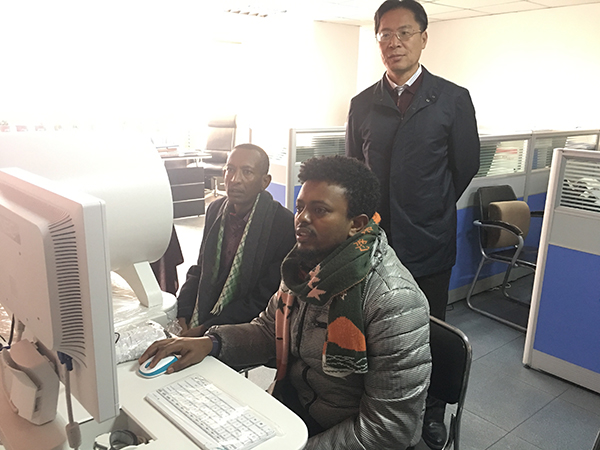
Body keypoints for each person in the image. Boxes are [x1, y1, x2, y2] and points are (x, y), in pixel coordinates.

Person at [140, 155, 431, 450]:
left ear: (356, 224)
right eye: (300, 207)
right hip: (295, 409)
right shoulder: (302, 268)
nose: (302, 218)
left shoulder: (393, 301)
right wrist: (210, 343)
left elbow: (389, 428)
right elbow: (269, 331)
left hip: (343, 431)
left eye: (319, 210)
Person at [345, 1, 480, 447]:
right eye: (385, 34)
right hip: (373, 244)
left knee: (428, 332)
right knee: (373, 329)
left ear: (423, 38)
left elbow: (465, 166)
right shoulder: (363, 104)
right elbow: (353, 173)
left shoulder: (452, 99)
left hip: (429, 242)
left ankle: (432, 412)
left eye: (404, 32)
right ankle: (371, 406)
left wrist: (430, 208)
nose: (394, 42)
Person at [176, 143, 295, 336]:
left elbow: (264, 297)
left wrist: (207, 330)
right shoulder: (215, 210)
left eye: (247, 172)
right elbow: (200, 269)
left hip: (247, 327)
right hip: (205, 312)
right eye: (230, 169)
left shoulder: (283, 224)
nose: (234, 179)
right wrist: (182, 314)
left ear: (265, 181)